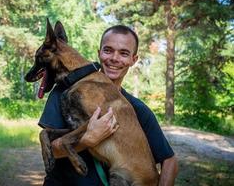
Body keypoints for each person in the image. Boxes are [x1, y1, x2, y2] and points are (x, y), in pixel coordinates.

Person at [38, 25, 178, 186]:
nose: (114, 58)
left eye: (124, 53)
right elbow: (52, 151)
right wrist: (87, 140)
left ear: (134, 59)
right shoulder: (66, 91)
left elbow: (170, 161)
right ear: (99, 53)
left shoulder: (137, 108)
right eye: (108, 50)